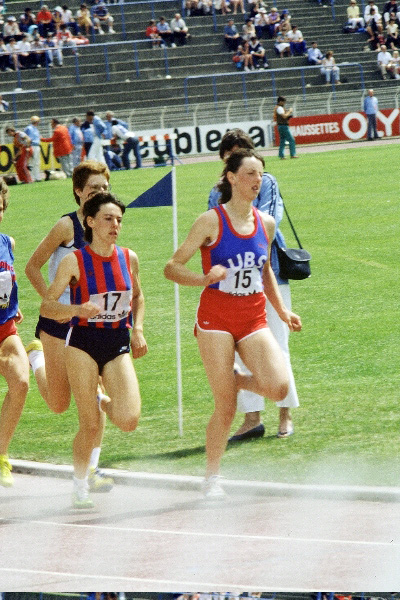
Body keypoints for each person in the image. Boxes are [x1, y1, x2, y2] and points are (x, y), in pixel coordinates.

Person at [164, 148, 302, 498]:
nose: (258, 180)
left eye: (261, 174)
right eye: (250, 174)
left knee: (278, 387)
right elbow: (172, 267)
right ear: (231, 178)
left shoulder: (265, 224)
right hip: (216, 318)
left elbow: (265, 270)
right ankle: (212, 478)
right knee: (225, 406)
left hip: (253, 315)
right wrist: (204, 278)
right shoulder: (210, 220)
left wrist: (283, 313)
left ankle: (239, 379)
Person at [40, 191, 147, 509]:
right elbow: (47, 306)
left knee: (129, 420)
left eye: (119, 219)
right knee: (89, 424)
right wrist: (76, 310)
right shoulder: (74, 260)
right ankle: (79, 483)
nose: (115, 224)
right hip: (83, 344)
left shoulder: (129, 257)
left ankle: (102, 397)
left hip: (116, 343)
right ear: (89, 221)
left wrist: (138, 328)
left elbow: (138, 297)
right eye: (108, 218)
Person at [25, 160, 115, 498]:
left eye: (104, 188)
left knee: (93, 394)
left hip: (92, 323)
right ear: (79, 192)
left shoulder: (107, 226)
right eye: (93, 189)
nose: (99, 194)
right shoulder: (67, 226)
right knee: (60, 403)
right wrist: (53, 303)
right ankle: (36, 359)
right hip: (58, 323)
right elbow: (32, 266)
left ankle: (92, 468)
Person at [208, 129, 300, 441]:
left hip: (269, 271)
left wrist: (236, 224)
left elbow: (268, 221)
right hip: (231, 284)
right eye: (230, 154)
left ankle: (285, 413)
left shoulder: (268, 182)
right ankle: (252, 418)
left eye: (241, 152)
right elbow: (212, 231)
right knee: (238, 353)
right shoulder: (214, 191)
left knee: (278, 345)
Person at [0, 177, 30, 487]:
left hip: (5, 327)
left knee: (20, 382)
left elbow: (8, 278)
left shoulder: (7, 242)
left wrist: (14, 303)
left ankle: (1, 455)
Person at [24, 115, 42, 182]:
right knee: (31, 162)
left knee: (37, 162)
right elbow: (27, 138)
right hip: (32, 146)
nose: (38, 122)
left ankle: (37, 177)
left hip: (37, 145)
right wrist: (28, 146)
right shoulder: (29, 128)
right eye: (37, 121)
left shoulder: (36, 129)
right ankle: (32, 177)